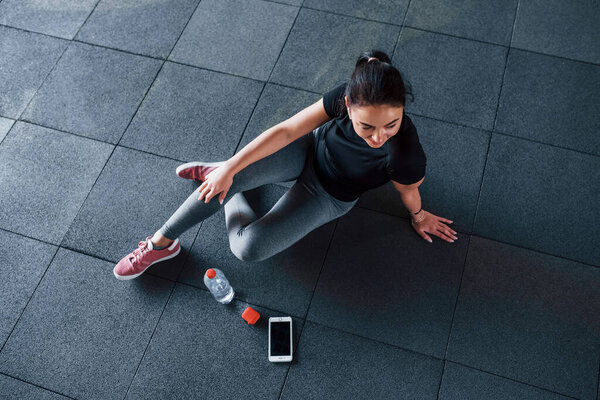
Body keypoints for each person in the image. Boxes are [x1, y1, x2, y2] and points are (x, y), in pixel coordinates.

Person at [113, 49, 457, 280]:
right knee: (228, 174)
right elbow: (287, 130)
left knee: (247, 248)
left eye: (391, 125)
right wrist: (233, 167)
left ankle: (231, 186)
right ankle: (161, 243)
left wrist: (419, 216)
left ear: (401, 111)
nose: (379, 136)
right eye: (366, 126)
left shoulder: (405, 154)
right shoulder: (345, 94)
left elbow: (409, 190)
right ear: (349, 106)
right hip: (307, 151)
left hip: (330, 195)